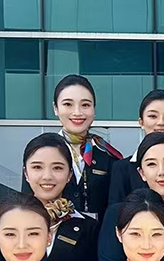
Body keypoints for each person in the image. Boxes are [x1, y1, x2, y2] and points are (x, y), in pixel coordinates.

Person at [0, 133, 100, 261]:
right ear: (26, 173)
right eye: (37, 167)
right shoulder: (5, 220)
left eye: (57, 168)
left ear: (69, 174)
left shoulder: (89, 228)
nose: (47, 176)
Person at [24, 74, 123, 219]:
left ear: (94, 109)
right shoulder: (40, 151)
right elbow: (26, 203)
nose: (77, 112)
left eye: (85, 105)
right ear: (55, 108)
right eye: (68, 104)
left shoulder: (108, 156)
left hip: (98, 232)